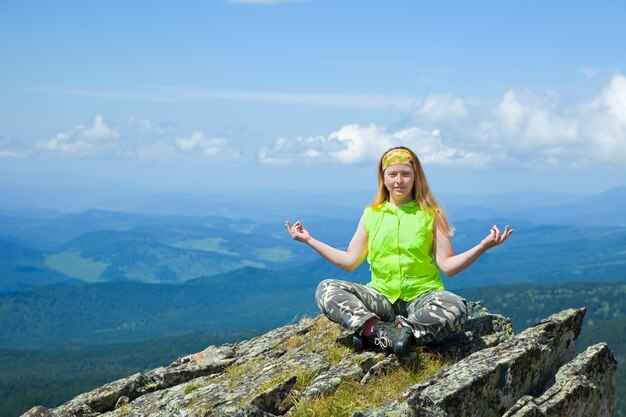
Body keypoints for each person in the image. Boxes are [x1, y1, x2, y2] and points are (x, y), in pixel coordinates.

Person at [285, 146, 512, 357]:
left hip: (421, 297)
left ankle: (386, 333)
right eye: (393, 174)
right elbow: (349, 261)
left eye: (406, 174)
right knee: (326, 289)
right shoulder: (371, 214)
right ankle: (381, 330)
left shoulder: (431, 214)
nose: (399, 181)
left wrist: (483, 246)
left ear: (416, 178)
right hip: (380, 297)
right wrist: (310, 240)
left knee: (456, 307)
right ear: (383, 178)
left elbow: (448, 266)